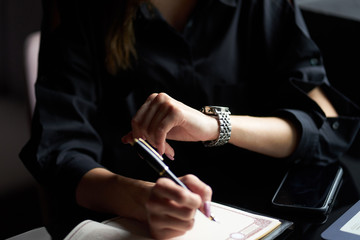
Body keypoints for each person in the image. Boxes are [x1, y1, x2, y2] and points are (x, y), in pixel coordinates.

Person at [20, 0, 360, 239]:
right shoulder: (83, 9)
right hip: (133, 219)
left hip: (267, 216)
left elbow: (325, 125)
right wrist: (143, 200)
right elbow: (60, 152)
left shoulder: (261, 5)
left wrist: (214, 125)